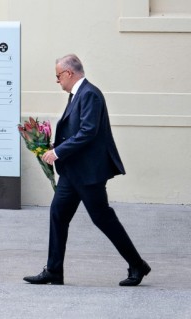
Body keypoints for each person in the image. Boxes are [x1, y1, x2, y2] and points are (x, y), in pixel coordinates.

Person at [23, 54, 150, 286]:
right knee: (58, 214)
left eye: (58, 76)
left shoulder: (90, 94)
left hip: (88, 173)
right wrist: (55, 146)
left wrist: (58, 152)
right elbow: (76, 131)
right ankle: (53, 270)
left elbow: (88, 131)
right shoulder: (77, 95)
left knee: (103, 219)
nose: (57, 81)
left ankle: (137, 264)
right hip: (72, 173)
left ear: (69, 73)